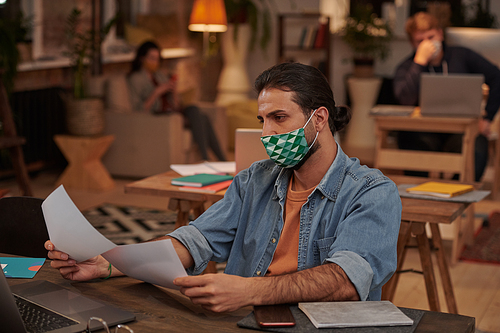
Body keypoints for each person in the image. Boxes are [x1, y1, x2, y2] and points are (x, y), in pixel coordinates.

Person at [46, 63, 402, 312]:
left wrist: (248, 291)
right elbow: (195, 241)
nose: (267, 134)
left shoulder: (372, 193)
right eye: (262, 120)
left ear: (319, 119)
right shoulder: (254, 181)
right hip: (245, 322)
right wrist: (109, 263)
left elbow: (345, 281)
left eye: (280, 118)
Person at [393, 11, 500, 181]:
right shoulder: (407, 66)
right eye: (420, 41)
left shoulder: (462, 55)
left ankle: (456, 193)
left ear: (440, 34)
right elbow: (404, 98)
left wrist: (487, 117)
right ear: (412, 44)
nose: (428, 44)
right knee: (409, 139)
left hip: (459, 131)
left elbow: (496, 77)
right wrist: (419, 62)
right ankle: (419, 194)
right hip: (425, 131)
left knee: (477, 145)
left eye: (431, 37)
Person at [128, 41, 226, 161]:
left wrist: (173, 91)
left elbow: (176, 104)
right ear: (142, 58)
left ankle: (214, 159)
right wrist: (157, 92)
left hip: (172, 111)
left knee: (196, 111)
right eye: (152, 58)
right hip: (159, 115)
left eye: (157, 59)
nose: (155, 63)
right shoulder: (136, 79)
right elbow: (139, 109)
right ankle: (212, 159)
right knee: (201, 117)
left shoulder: (159, 75)